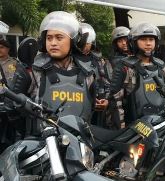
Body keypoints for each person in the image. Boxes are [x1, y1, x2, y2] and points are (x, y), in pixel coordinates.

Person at [10, 11, 98, 126]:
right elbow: (11, 106)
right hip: (42, 140)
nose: (53, 43)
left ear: (73, 41)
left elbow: (90, 108)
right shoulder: (33, 70)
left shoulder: (88, 72)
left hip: (78, 141)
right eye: (49, 38)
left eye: (59, 37)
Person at [110, 22, 165, 128]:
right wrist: (122, 130)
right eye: (143, 39)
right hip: (135, 129)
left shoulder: (161, 65)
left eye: (151, 39)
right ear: (134, 42)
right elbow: (115, 101)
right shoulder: (125, 67)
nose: (148, 43)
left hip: (160, 124)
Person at [79, 22, 110, 127]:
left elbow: (106, 82)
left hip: (97, 107)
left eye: (88, 42)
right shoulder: (69, 60)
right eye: (83, 42)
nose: (85, 45)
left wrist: (106, 99)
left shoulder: (98, 61)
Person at [0, 24, 17, 153]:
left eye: (2, 47)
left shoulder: (14, 63)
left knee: (10, 128)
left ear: (8, 49)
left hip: (10, 98)